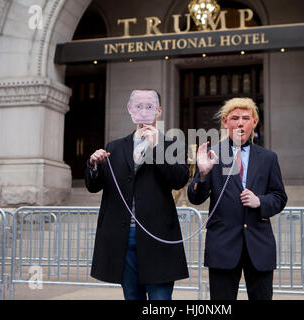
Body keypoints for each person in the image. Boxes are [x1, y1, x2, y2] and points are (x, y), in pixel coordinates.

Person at [86, 89, 189, 300]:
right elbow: (94, 186)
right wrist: (94, 165)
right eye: (138, 106)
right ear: (130, 109)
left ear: (158, 111)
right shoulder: (114, 147)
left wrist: (157, 147)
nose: (143, 111)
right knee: (132, 297)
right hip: (124, 237)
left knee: (160, 300)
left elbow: (179, 179)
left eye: (149, 106)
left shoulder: (172, 145)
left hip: (157, 236)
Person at [187, 97, 287, 300]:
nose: (240, 123)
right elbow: (195, 197)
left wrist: (260, 201)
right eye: (234, 118)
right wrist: (204, 174)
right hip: (222, 245)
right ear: (225, 122)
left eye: (245, 118)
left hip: (259, 245)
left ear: (254, 122)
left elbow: (279, 197)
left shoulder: (268, 158)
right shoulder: (212, 154)